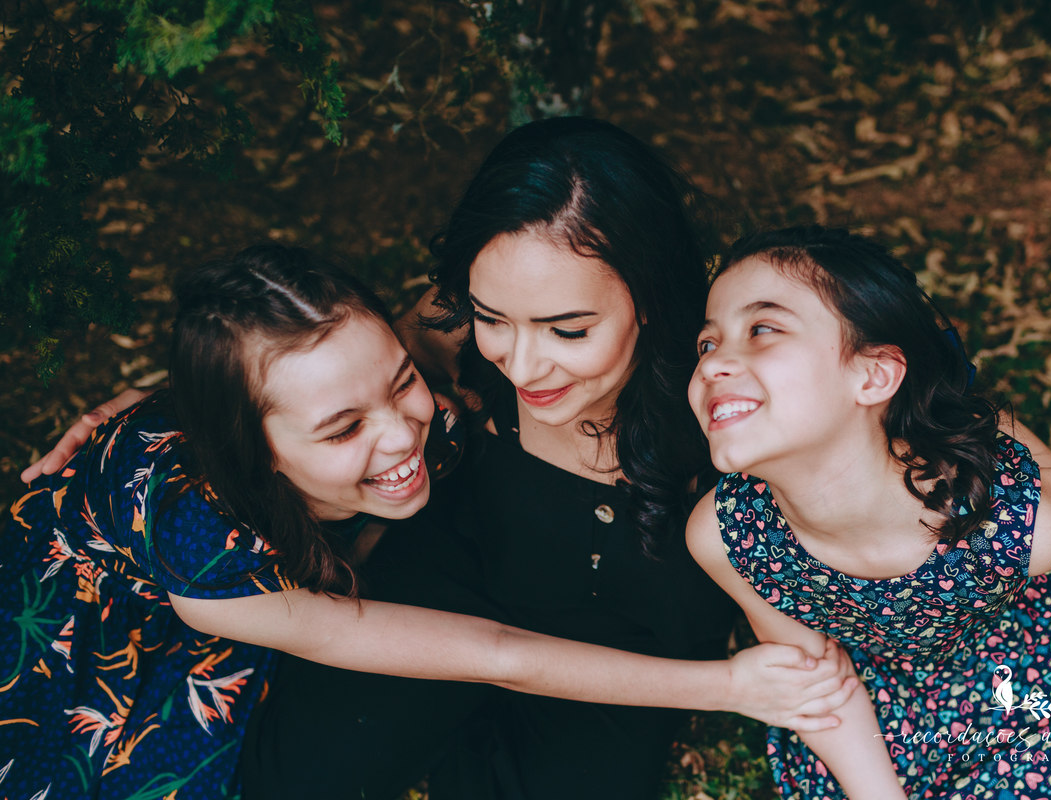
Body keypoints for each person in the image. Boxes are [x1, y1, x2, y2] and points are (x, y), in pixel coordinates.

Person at [22, 121, 1051, 800]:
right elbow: (295, 368)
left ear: (652, 300)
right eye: (492, 318)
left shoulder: (731, 393)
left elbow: (952, 415)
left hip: (627, 623)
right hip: (457, 582)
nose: (523, 362)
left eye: (568, 329)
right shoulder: (446, 350)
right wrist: (160, 409)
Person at [0, 244, 863, 800]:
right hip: (114, 674)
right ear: (251, 446)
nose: (399, 433)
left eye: (399, 381)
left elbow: (508, 283)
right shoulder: (205, 554)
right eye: (343, 427)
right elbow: (494, 652)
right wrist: (730, 687)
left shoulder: (409, 379)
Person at [686, 225, 1051, 798]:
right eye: (708, 343)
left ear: (873, 375)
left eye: (762, 329)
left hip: (1023, 672)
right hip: (883, 704)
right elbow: (818, 682)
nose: (714, 364)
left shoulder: (1006, 518)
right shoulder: (726, 537)